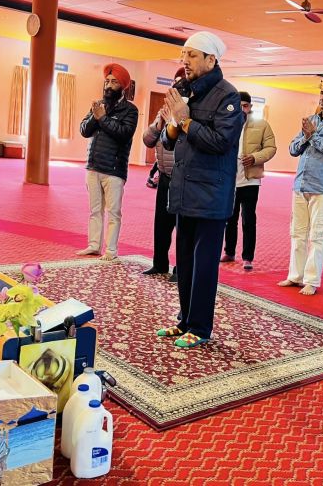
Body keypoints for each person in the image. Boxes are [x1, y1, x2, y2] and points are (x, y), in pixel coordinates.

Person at [157, 31, 243, 348]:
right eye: (184, 55)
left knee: (204, 266)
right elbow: (168, 141)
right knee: (184, 263)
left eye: (192, 55)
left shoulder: (227, 96)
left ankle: (201, 327)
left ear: (211, 59)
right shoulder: (186, 91)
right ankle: (184, 321)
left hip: (211, 195)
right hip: (184, 190)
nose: (185, 61)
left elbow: (221, 142)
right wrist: (173, 123)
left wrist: (186, 121)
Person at [278, 79, 323, 296]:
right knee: (297, 233)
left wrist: (314, 136)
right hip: (301, 184)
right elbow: (293, 149)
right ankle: (295, 276)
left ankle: (311, 280)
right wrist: (306, 137)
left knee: (317, 236)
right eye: (322, 93)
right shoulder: (311, 120)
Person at [77, 63, 139, 260]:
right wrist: (96, 116)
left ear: (123, 86)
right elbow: (84, 130)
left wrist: (102, 118)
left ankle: (111, 250)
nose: (109, 86)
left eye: (114, 82)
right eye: (107, 81)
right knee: (94, 210)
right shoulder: (98, 105)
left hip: (114, 170)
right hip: (93, 166)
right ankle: (94, 245)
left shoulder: (130, 110)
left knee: (113, 212)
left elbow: (124, 133)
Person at [221, 91, 277, 270]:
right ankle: (229, 251)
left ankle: (248, 257)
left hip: (250, 180)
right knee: (229, 218)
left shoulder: (262, 125)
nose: (242, 109)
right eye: (238, 106)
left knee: (248, 219)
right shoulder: (227, 123)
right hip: (230, 180)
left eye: (245, 106)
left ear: (250, 107)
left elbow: (271, 148)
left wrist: (255, 157)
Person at [141, 68, 186, 283]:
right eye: (175, 83)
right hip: (165, 176)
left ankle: (180, 269)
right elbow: (148, 140)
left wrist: (176, 122)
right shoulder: (164, 112)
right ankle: (159, 263)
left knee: (182, 227)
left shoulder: (190, 113)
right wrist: (160, 123)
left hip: (183, 179)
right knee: (162, 224)